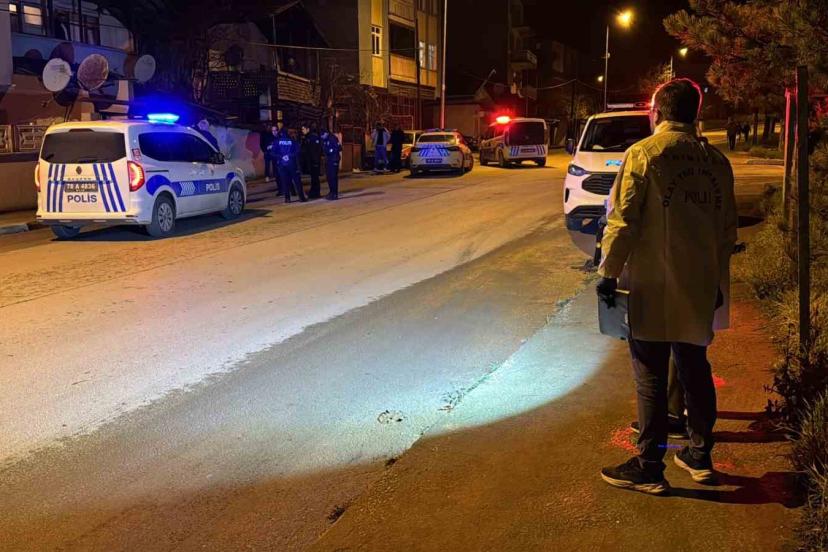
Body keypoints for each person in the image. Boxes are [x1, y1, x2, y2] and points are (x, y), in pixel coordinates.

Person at [597, 78, 737, 495]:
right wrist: (716, 280)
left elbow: (623, 220)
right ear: (695, 114)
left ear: (657, 112)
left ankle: (650, 464)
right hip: (699, 284)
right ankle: (700, 455)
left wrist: (608, 273)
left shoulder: (645, 153)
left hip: (653, 283)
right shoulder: (716, 161)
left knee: (651, 375)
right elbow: (727, 231)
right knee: (695, 368)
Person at [274, 127, 306, 203]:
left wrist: (281, 156)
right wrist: (289, 156)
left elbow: (273, 152)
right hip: (292, 163)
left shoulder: (276, 142)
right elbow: (298, 151)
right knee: (297, 181)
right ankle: (301, 197)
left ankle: (287, 198)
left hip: (282, 164)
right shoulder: (292, 141)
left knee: (285, 181)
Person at [302, 123, 323, 199]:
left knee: (315, 178)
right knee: (313, 177)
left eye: (303, 129)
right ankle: (313, 192)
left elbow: (317, 150)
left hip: (314, 161)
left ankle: (316, 193)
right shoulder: (307, 137)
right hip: (310, 161)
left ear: (308, 129)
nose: (302, 131)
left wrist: (316, 160)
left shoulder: (313, 137)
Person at [322, 129, 342, 200]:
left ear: (326, 133)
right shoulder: (325, 139)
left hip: (334, 160)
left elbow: (339, 148)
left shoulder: (333, 138)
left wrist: (330, 151)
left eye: (322, 135)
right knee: (329, 177)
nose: (322, 137)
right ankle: (331, 192)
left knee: (333, 177)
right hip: (328, 160)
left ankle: (334, 194)